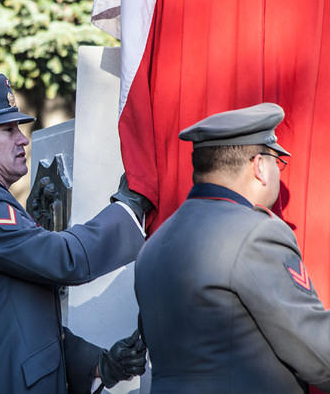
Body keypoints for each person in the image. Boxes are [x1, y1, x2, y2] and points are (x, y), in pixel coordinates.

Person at [0, 74, 151, 394]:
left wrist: (99, 365)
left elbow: (21, 317)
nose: (23, 139)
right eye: (8, 130)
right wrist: (128, 209)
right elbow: (65, 259)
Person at [135, 102, 330, 393]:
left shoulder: (154, 244)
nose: (278, 172)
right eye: (278, 163)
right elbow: (319, 355)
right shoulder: (257, 233)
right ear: (260, 166)